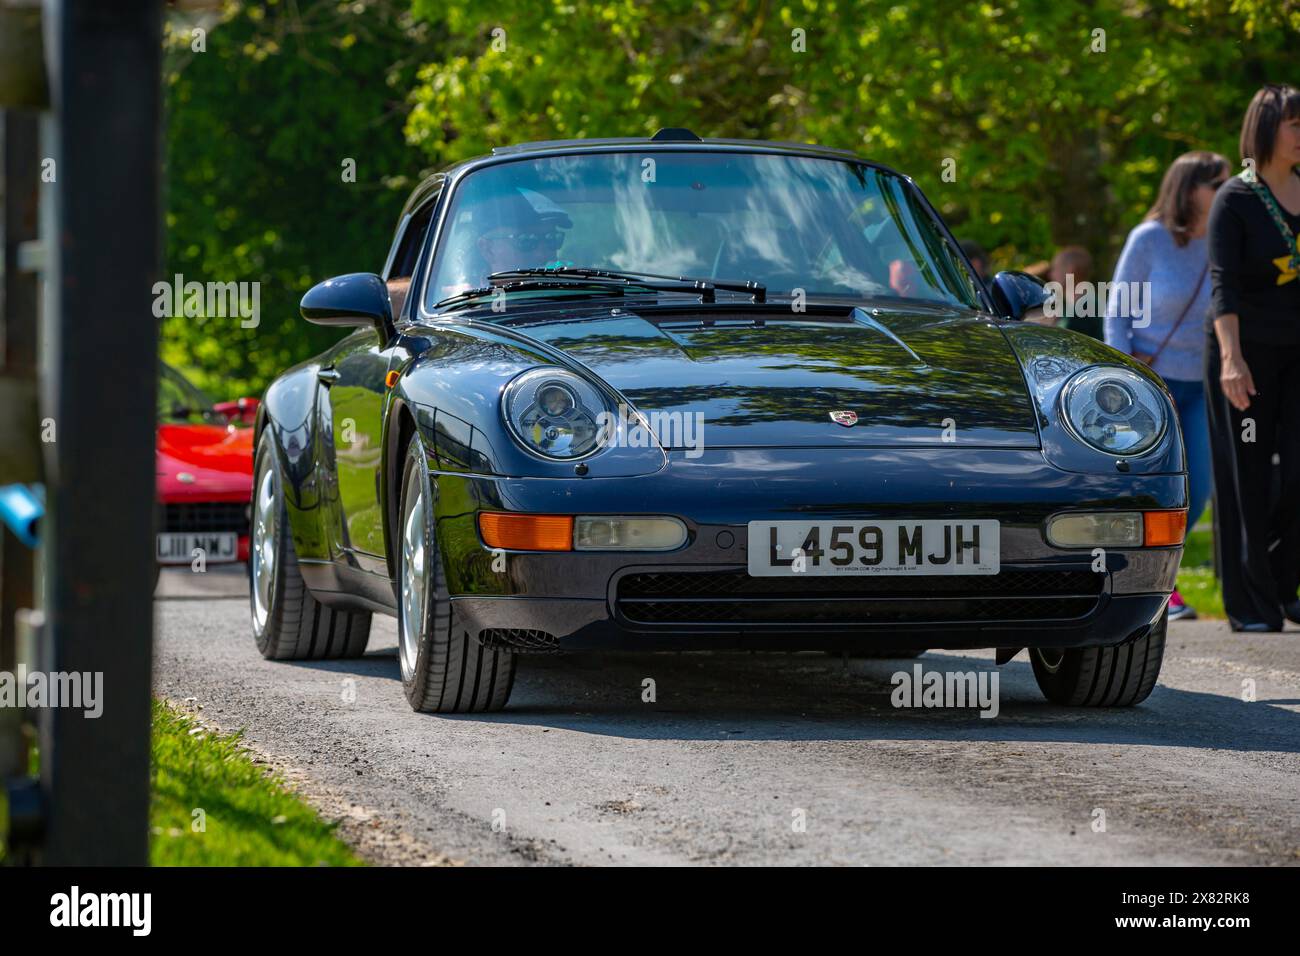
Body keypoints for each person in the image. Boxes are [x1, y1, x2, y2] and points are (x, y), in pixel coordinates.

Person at [1104, 151, 1230, 621]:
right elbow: (1117, 312)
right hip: (1153, 385)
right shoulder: (1149, 239)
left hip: (1205, 382)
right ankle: (1151, 587)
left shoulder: (1221, 240)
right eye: (1216, 184)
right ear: (1188, 189)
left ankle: (1162, 580)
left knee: (1199, 490)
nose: (1226, 191)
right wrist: (1126, 380)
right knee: (1148, 488)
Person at [1205, 83, 1300, 632]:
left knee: (1297, 472)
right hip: (1245, 352)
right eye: (1294, 123)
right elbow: (1224, 284)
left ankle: (1286, 587)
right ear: (1265, 128)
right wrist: (1231, 358)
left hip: (1297, 355)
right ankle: (1251, 603)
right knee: (1248, 477)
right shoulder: (1235, 198)